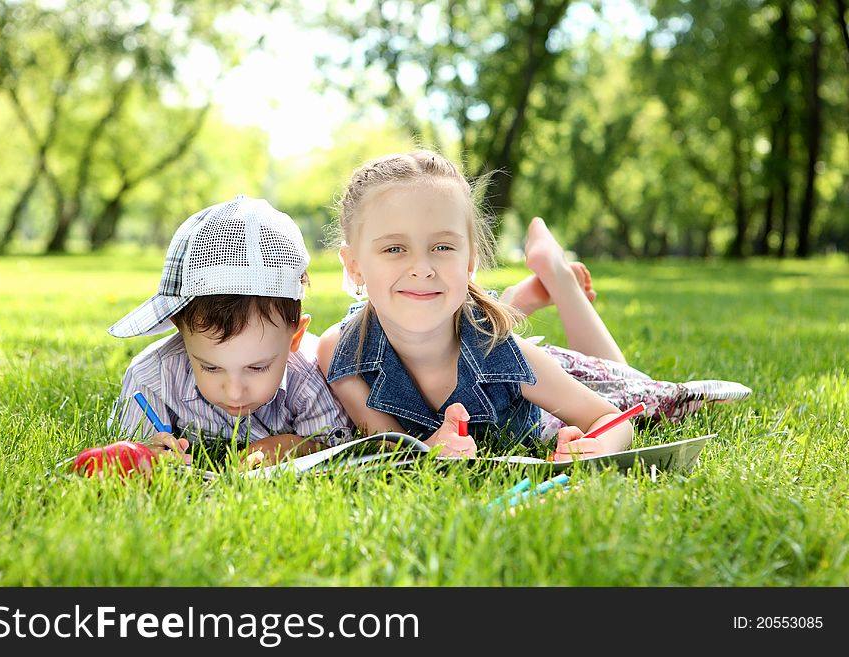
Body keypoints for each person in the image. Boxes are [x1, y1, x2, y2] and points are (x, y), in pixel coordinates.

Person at [316, 150, 750, 461]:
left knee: (634, 385)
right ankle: (520, 299)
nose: (422, 268)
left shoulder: (509, 355)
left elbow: (611, 417)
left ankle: (558, 279)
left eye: (442, 247)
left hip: (537, 373)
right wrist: (429, 452)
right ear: (353, 265)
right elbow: (391, 451)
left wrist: (597, 445)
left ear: (470, 262)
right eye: (394, 249)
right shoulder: (343, 352)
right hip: (477, 333)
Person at [107, 195, 352, 466]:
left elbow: (338, 443)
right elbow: (127, 451)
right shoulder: (151, 377)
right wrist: (148, 452)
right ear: (180, 328)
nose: (234, 393)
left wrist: (297, 446)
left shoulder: (309, 375)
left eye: (258, 367)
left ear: (295, 336)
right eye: (211, 368)